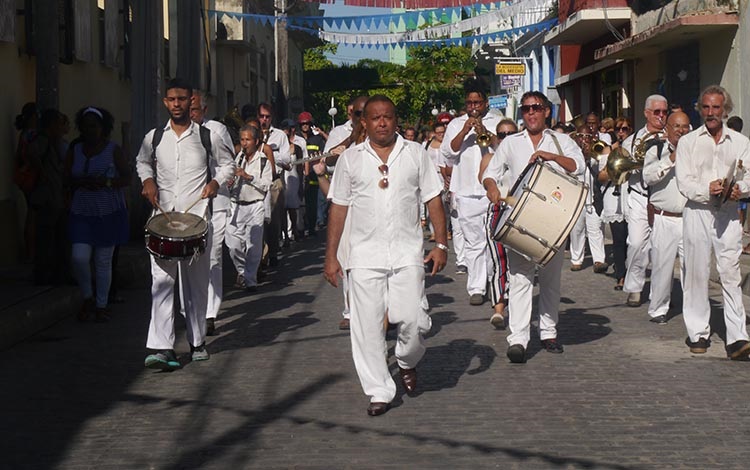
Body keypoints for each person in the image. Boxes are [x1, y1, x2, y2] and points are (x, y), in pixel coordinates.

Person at [324, 95, 447, 416]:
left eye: (388, 117)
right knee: (366, 327)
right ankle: (379, 389)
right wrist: (331, 255)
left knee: (413, 320)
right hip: (364, 255)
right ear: (363, 122)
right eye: (375, 118)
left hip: (407, 253)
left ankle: (406, 360)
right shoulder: (350, 159)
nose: (381, 123)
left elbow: (434, 198)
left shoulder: (416, 154)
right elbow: (338, 207)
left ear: (396, 120)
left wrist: (441, 244)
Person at [136, 78, 234, 371]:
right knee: (161, 284)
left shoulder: (207, 137)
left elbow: (228, 163)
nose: (177, 104)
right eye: (172, 100)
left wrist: (216, 181)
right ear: (165, 102)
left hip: (197, 219)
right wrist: (148, 181)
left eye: (182, 99)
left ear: (191, 101)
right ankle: (162, 347)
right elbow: (142, 162)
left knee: (196, 285)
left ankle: (197, 341)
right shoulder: (154, 137)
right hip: (163, 220)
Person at [482, 91, 584, 364]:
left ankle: (548, 333)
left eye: (536, 107)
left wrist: (550, 156)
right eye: (526, 108)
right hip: (520, 220)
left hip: (553, 218)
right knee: (520, 279)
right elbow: (490, 173)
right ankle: (518, 338)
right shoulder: (511, 143)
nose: (531, 113)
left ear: (547, 112)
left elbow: (579, 166)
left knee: (551, 280)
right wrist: (491, 187)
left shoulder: (561, 141)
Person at [675, 85, 750, 360]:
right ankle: (698, 333)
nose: (710, 113)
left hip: (728, 213)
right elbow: (684, 182)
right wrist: (708, 189)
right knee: (695, 272)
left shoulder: (741, 142)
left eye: (715, 107)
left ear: (725, 110)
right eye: (705, 107)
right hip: (698, 211)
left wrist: (739, 189)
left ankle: (738, 337)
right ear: (700, 109)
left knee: (730, 273)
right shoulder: (688, 142)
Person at [65, 107, 130, 321]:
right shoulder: (75, 150)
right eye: (85, 125)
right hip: (81, 211)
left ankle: (101, 305)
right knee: (79, 257)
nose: (89, 130)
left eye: (94, 125)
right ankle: (87, 297)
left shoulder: (113, 150)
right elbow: (66, 177)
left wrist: (106, 182)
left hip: (108, 211)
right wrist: (81, 182)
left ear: (103, 128)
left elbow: (127, 178)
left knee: (103, 261)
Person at [441, 77, 502, 306]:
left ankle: (491, 280)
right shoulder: (456, 124)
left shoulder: (498, 121)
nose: (473, 107)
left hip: (492, 189)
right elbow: (449, 153)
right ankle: (476, 287)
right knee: (473, 241)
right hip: (466, 190)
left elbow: (504, 148)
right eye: (469, 103)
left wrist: (485, 131)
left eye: (477, 103)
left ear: (486, 103)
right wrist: (466, 129)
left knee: (492, 239)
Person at [189, 90, 235, 336]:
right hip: (189, 206)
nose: (190, 114)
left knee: (213, 256)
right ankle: (192, 309)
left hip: (216, 202)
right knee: (190, 258)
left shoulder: (217, 131)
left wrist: (215, 182)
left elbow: (228, 164)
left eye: (194, 110)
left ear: (204, 111)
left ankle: (209, 313)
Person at [324, 95, 369, 331]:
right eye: (356, 114)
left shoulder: (383, 136)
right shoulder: (339, 133)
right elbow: (327, 159)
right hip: (347, 206)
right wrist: (351, 139)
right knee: (348, 262)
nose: (360, 119)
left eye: (363, 114)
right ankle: (350, 311)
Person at [642, 111, 690, 325]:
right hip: (665, 217)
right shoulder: (656, 149)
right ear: (667, 129)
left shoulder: (694, 150)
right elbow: (648, 176)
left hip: (690, 217)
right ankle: (658, 308)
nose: (681, 130)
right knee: (662, 266)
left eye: (685, 126)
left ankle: (693, 308)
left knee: (693, 267)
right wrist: (671, 158)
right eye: (677, 126)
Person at [621, 95, 668, 307]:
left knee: (662, 249)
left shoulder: (672, 136)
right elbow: (621, 169)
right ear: (646, 113)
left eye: (664, 112)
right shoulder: (631, 140)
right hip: (639, 197)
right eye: (656, 112)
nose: (661, 116)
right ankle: (634, 287)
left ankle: (661, 294)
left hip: (663, 198)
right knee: (636, 244)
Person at [479, 118, 517, 329]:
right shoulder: (490, 158)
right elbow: (483, 179)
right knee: (498, 261)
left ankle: (518, 306)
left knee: (518, 264)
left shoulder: (523, 157)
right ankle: (499, 309)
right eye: (502, 134)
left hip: (520, 212)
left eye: (511, 134)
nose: (506, 138)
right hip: (497, 211)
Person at [226, 125, 273, 291]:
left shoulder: (263, 161)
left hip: (255, 205)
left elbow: (267, 185)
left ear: (256, 141)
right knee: (232, 244)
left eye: (248, 140)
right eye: (242, 140)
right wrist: (229, 182)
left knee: (254, 246)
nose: (244, 144)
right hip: (236, 204)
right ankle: (243, 272)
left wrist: (248, 177)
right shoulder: (236, 159)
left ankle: (250, 280)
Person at [29, 109, 67, 286]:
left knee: (58, 237)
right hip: (47, 196)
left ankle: (56, 272)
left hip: (57, 195)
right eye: (59, 123)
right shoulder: (42, 142)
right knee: (45, 237)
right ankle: (43, 273)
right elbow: (34, 159)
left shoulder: (56, 142)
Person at [598, 117, 633, 290]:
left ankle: (633, 274)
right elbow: (601, 177)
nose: (621, 132)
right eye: (618, 129)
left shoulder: (634, 149)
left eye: (625, 129)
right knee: (618, 240)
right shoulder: (607, 150)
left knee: (633, 241)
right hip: (614, 197)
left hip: (631, 196)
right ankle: (621, 275)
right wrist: (614, 167)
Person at [568, 125, 608, 274]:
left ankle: (599, 260)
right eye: (581, 136)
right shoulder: (571, 153)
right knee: (576, 231)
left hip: (593, 199)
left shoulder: (596, 153)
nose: (584, 139)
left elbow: (601, 174)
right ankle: (576, 259)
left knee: (595, 230)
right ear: (576, 138)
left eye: (587, 137)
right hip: (577, 200)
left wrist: (590, 156)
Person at [258, 102, 291, 267]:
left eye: (267, 116)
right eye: (261, 116)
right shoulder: (253, 134)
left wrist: (270, 152)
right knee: (258, 219)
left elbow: (287, 159)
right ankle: (260, 255)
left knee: (273, 219)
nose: (264, 120)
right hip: (255, 179)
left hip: (274, 179)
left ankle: (272, 252)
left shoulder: (279, 135)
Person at [297, 111, 327, 237]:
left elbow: (326, 152)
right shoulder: (296, 139)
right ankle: (300, 228)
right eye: (303, 124)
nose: (305, 126)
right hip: (299, 176)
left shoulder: (317, 139)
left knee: (312, 204)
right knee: (298, 204)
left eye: (307, 123)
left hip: (314, 177)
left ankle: (312, 227)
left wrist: (322, 133)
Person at [281, 119, 306, 245]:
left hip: (294, 177)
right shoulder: (279, 150)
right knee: (283, 208)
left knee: (292, 207)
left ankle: (295, 230)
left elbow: (301, 167)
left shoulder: (297, 148)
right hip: (282, 177)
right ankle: (285, 234)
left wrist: (301, 182)